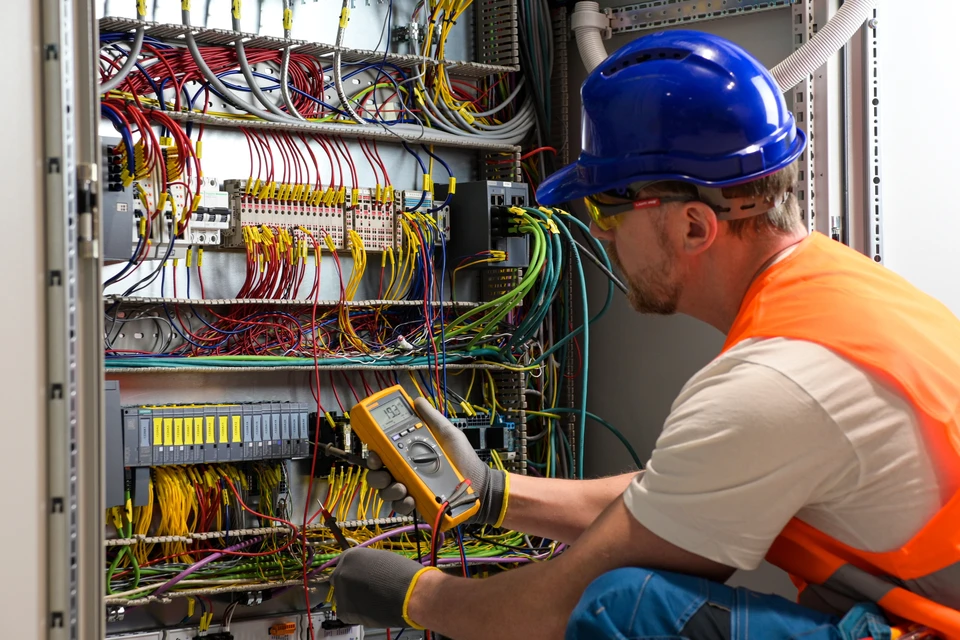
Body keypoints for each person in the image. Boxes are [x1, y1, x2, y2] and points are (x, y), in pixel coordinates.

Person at [330, 31, 960, 639]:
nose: (599, 233)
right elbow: (676, 500)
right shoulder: (838, 292)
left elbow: (557, 613)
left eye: (606, 208)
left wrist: (421, 597)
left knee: (621, 610)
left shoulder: (777, 382)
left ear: (693, 227)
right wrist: (491, 494)